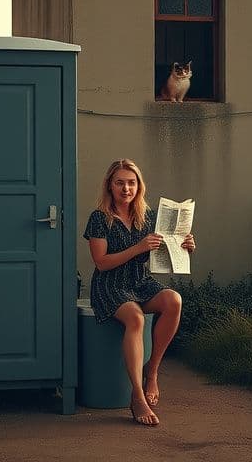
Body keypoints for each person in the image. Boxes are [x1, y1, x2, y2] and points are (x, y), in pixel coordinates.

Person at [83, 158, 196, 427]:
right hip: (109, 284)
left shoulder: (149, 217)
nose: (126, 189)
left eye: (131, 183)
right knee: (135, 318)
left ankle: (152, 372)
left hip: (139, 281)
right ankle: (136, 395)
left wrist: (184, 246)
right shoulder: (99, 218)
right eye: (120, 183)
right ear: (109, 186)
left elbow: (160, 254)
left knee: (174, 300)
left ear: (139, 186)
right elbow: (101, 262)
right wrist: (138, 248)